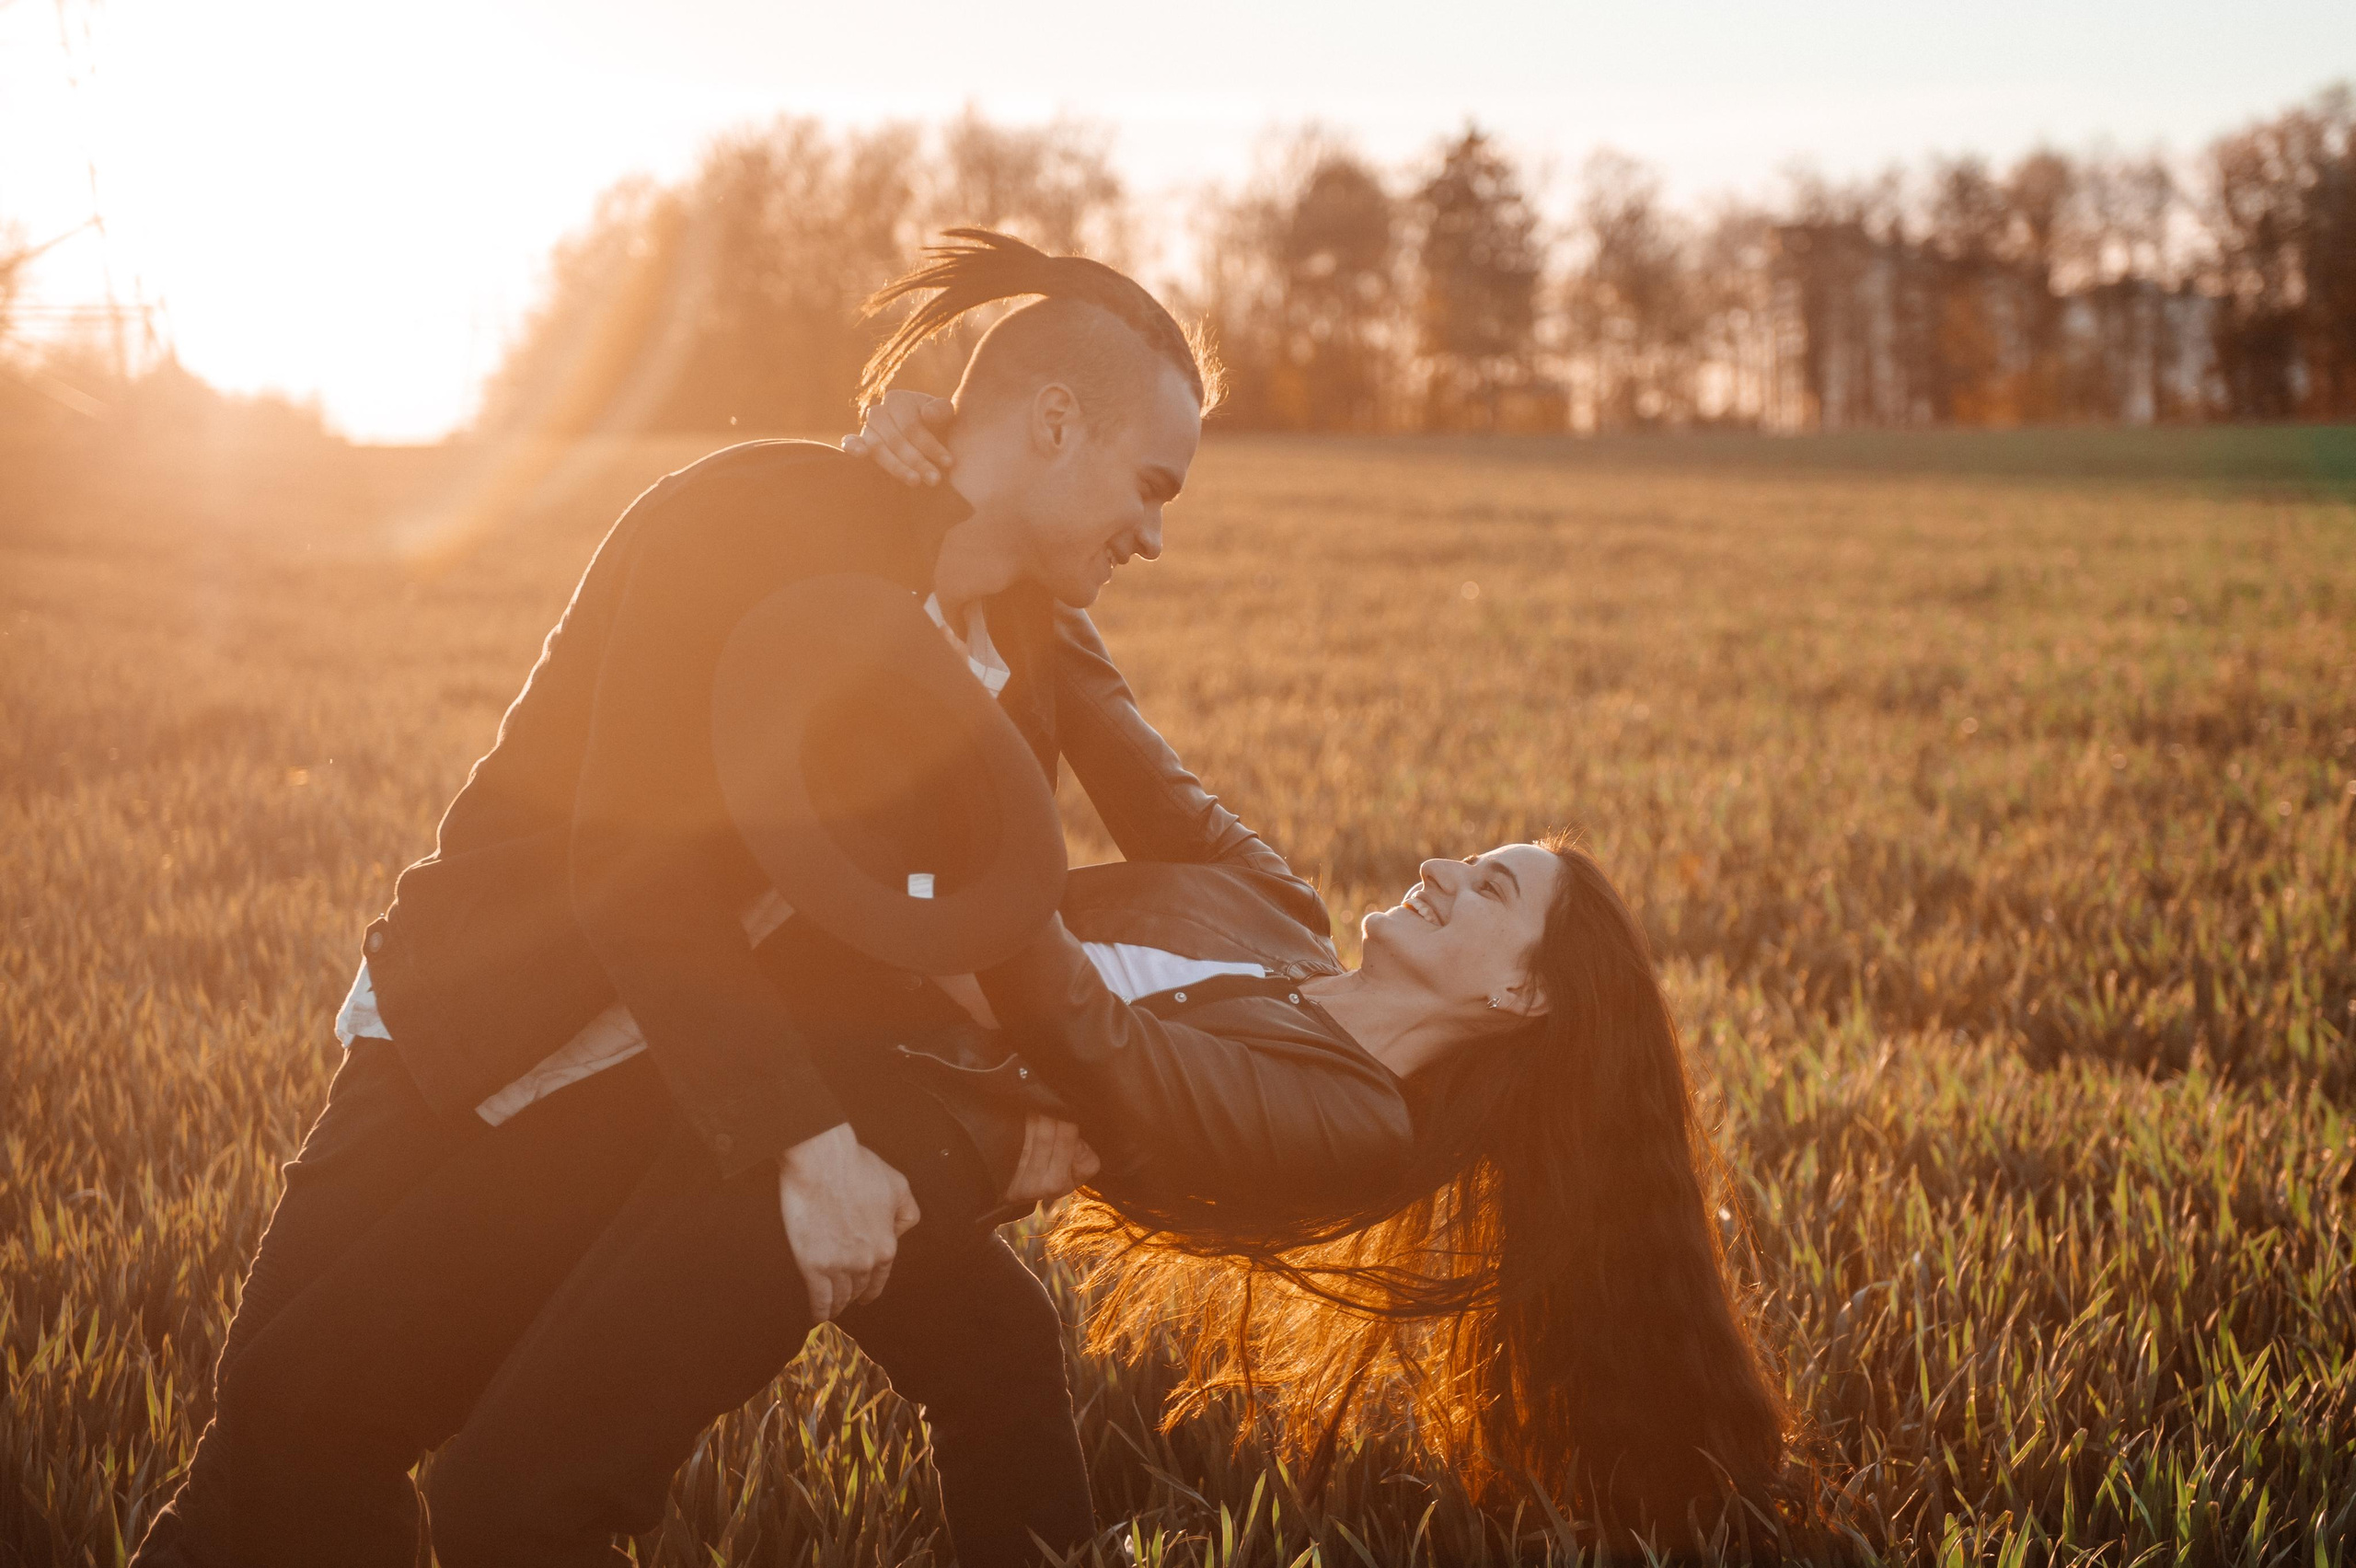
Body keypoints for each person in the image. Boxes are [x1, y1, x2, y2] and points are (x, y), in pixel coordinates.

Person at [130, 228, 1260, 1568]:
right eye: (1150, 485)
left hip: (702, 1085)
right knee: (283, 1433)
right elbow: (633, 871)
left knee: (991, 1350)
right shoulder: (747, 524)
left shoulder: (1023, 646)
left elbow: (971, 914)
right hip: (486, 1025)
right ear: (1056, 424)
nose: (1156, 535)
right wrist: (811, 1143)